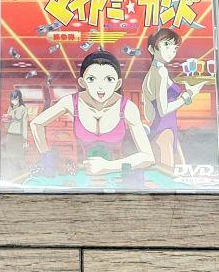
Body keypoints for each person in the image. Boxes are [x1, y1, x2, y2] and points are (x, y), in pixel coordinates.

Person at [30, 50, 154, 178]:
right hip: (82, 175)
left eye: (109, 79)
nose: (100, 87)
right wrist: (47, 158)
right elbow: (36, 123)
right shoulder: (71, 102)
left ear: (118, 83)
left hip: (116, 175)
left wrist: (108, 166)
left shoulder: (128, 108)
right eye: (91, 79)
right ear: (82, 82)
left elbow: (148, 157)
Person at [140, 28, 203, 174]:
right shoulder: (161, 72)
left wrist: (186, 96)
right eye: (166, 45)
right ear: (151, 49)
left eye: (175, 48)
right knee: (170, 176)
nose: (171, 51)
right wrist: (187, 96)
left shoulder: (152, 74)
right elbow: (163, 110)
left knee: (174, 174)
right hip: (165, 130)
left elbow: (149, 114)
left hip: (163, 128)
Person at [1, 88, 29, 172]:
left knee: (19, 154)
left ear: (19, 98)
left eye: (16, 98)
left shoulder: (23, 109)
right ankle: (12, 171)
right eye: (12, 99)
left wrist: (25, 139)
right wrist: (6, 121)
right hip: (10, 135)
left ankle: (22, 171)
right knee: (9, 154)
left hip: (18, 136)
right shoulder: (10, 109)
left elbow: (24, 124)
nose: (14, 101)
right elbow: (7, 126)